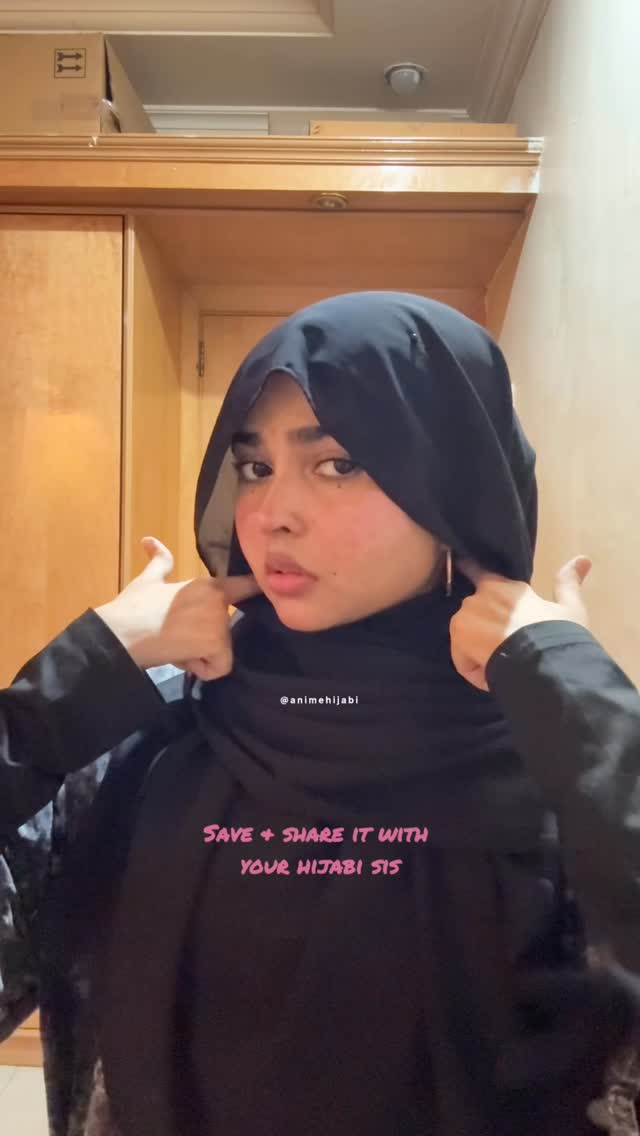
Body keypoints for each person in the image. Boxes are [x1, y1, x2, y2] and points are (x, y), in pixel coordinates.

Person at [1, 291, 639, 1136]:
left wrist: (571, 688)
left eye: (337, 464)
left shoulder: (560, 754)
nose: (272, 515)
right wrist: (82, 673)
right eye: (254, 467)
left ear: (455, 488)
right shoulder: (151, 737)